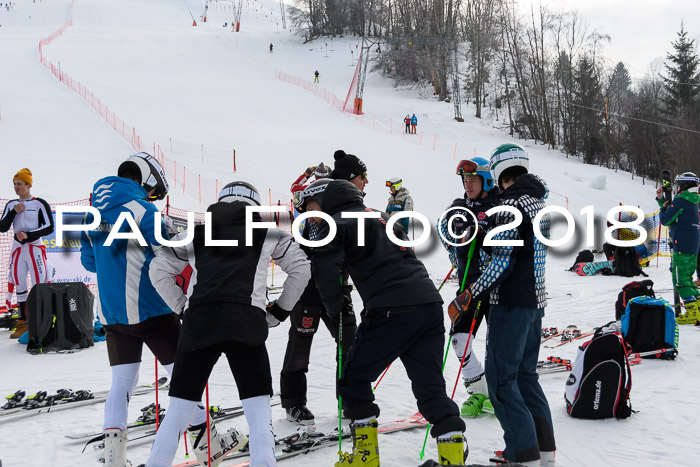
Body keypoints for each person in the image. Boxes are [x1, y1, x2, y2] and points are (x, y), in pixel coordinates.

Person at [144, 181, 311, 467]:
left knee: (179, 411)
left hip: (199, 321)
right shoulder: (268, 232)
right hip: (246, 320)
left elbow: (158, 268)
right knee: (257, 409)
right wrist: (279, 312)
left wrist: (182, 306)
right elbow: (302, 268)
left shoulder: (195, 232)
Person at [309, 179, 467, 466]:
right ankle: (452, 455)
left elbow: (324, 268)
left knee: (353, 379)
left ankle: (365, 457)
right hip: (428, 304)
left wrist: (336, 308)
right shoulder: (384, 216)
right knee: (431, 387)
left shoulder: (335, 223)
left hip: (392, 309)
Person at [80, 153, 210, 467]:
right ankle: (207, 445)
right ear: (145, 179)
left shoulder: (92, 212)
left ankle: (113, 456)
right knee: (185, 377)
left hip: (112, 314)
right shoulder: (145, 211)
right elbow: (170, 257)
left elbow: (88, 262)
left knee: (122, 383)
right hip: (152, 310)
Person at [452, 143, 555, 465]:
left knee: (501, 381)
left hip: (510, 302)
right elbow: (521, 253)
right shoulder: (537, 202)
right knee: (525, 377)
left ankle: (522, 454)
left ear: (496, 172)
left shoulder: (510, 207)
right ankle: (544, 452)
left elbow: (502, 263)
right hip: (534, 302)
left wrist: (468, 295)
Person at [279, 179, 357, 426]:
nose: (308, 215)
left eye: (312, 209)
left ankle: (349, 399)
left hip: (338, 292)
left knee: (350, 345)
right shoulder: (307, 225)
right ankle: (294, 403)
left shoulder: (341, 220)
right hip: (309, 295)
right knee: (300, 347)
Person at [437, 157, 500, 418]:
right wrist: (455, 252)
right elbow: (443, 230)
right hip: (468, 288)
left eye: (473, 180)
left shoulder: (500, 207)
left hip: (496, 287)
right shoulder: (459, 207)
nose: (468, 184)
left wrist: (485, 239)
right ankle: (478, 390)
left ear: (486, 180)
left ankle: (498, 393)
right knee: (459, 341)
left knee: (497, 345)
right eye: (465, 180)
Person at [0, 168, 54, 339]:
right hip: (18, 250)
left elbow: (49, 227)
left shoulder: (39, 203)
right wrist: (14, 212)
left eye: (20, 184)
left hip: (34, 249)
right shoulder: (11, 205)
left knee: (39, 285)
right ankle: (23, 323)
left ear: (28, 185)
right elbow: (2, 227)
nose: (17, 187)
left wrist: (29, 235)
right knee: (20, 286)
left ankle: (41, 321)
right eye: (15, 184)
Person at [656, 172, 700, 325]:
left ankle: (693, 312)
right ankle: (697, 308)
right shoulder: (694, 199)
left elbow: (667, 219)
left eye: (680, 185)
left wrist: (663, 208)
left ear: (685, 185)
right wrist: (662, 202)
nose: (678, 188)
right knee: (688, 279)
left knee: (680, 280)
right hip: (693, 245)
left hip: (681, 244)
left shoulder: (681, 200)